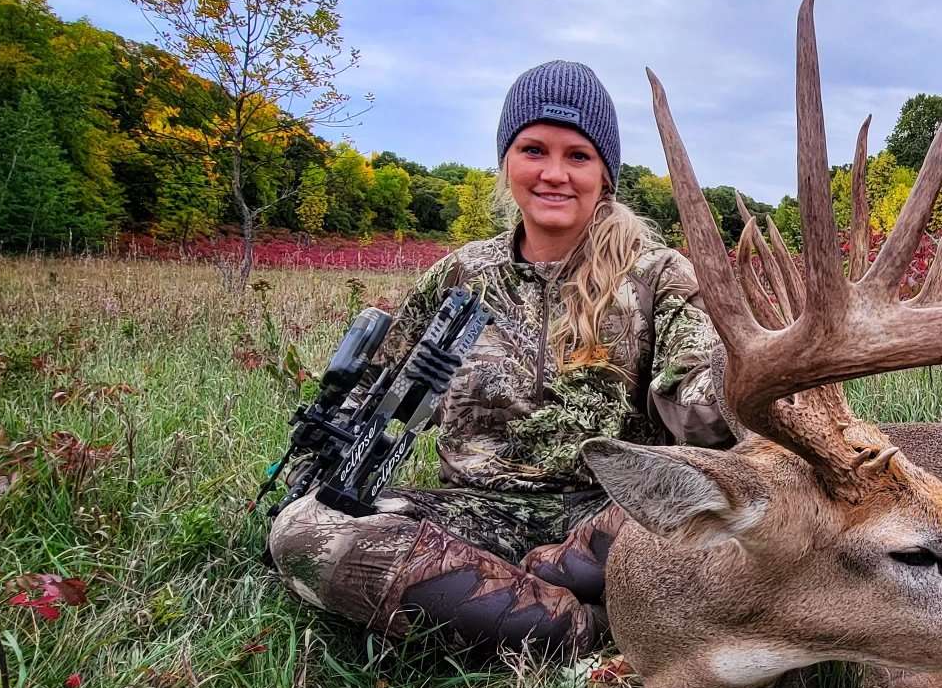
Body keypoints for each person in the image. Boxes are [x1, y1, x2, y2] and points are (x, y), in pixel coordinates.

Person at [265, 60, 734, 657]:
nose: (554, 174)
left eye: (578, 156)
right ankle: (590, 630)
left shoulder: (658, 275)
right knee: (305, 531)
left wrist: (737, 390)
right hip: (473, 514)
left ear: (605, 174)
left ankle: (514, 611)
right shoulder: (461, 276)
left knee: (710, 524)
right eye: (534, 149)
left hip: (613, 522)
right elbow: (377, 392)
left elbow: (699, 406)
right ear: (507, 162)